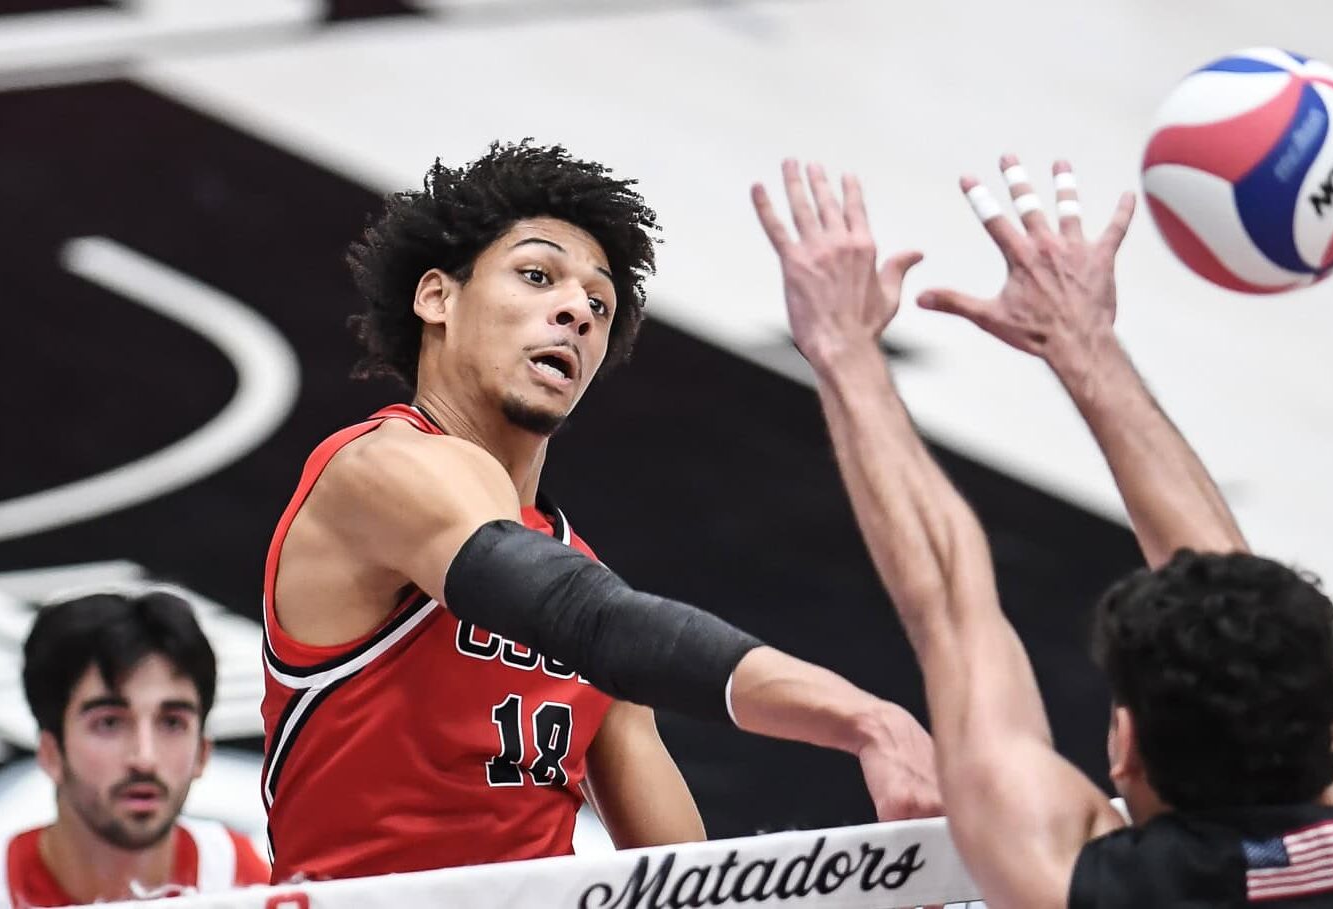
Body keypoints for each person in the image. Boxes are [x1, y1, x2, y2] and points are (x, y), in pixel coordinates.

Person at [751, 155, 1333, 906]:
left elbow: (953, 600)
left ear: (1125, 748)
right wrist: (1081, 341)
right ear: (1330, 730)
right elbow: (1240, 602)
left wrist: (843, 347)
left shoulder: (1075, 885)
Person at [261, 140, 940, 883]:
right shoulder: (377, 469)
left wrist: (893, 881)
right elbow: (589, 619)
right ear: (437, 297)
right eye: (536, 275)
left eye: (598, 304)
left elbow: (688, 881)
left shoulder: (586, 586)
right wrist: (861, 718)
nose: (575, 311)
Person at [0, 589, 269, 908]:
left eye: (172, 723)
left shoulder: (244, 888)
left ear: (203, 752)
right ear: (50, 751)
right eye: (109, 723)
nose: (144, 757)